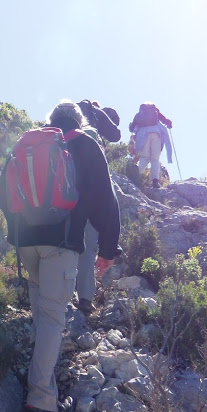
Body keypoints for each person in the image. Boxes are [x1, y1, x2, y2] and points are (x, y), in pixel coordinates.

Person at [0, 101, 122, 412]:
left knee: (42, 313)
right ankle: (40, 401)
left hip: (27, 244)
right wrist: (107, 249)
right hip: (61, 245)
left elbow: (2, 191)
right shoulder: (85, 144)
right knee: (53, 319)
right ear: (78, 120)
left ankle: (46, 387)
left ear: (52, 121)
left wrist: (17, 228)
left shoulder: (31, 143)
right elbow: (106, 202)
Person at [75, 100, 122, 314]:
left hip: (65, 188)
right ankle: (84, 297)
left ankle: (60, 292)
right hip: (92, 188)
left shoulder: (71, 118)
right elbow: (115, 135)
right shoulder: (97, 113)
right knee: (87, 242)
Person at [128, 102, 173, 188]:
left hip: (142, 136)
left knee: (145, 157)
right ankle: (155, 181)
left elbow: (131, 128)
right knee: (155, 158)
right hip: (156, 134)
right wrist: (169, 123)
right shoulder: (155, 111)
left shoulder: (138, 115)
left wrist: (131, 126)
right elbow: (165, 120)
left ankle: (137, 174)